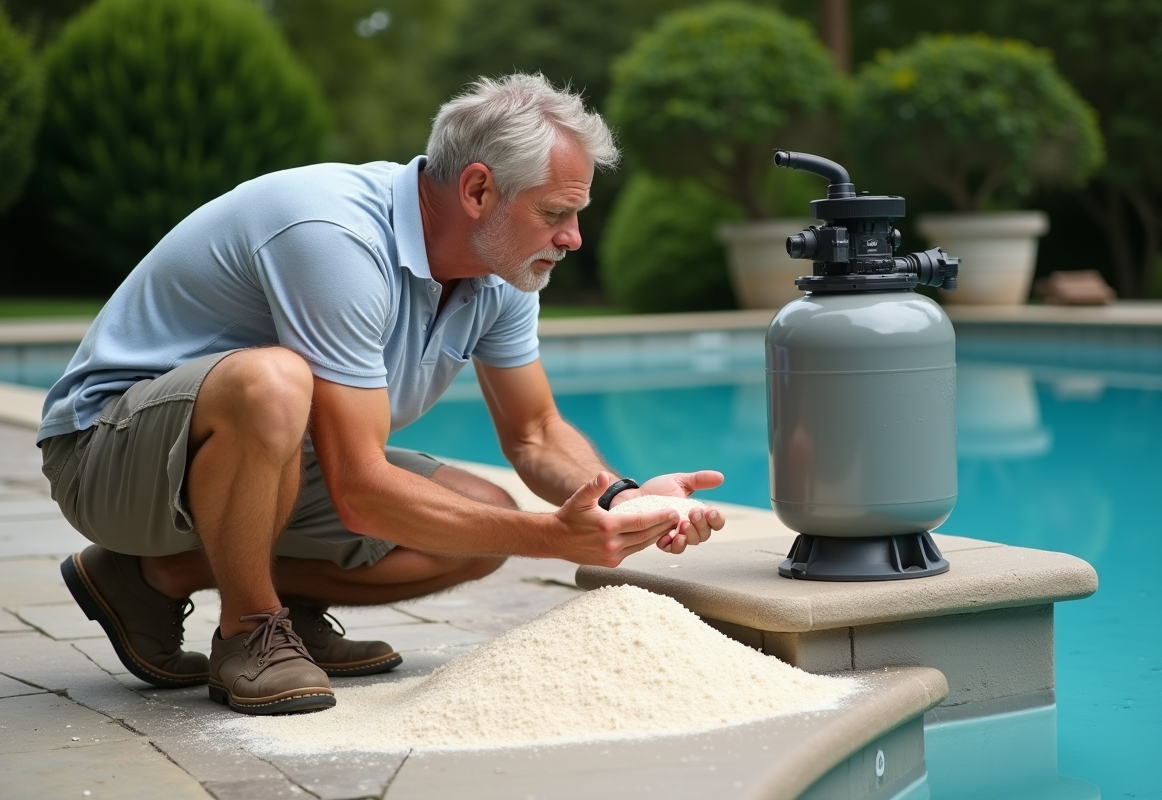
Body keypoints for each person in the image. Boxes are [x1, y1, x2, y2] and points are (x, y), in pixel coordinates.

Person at [37, 73, 725, 716]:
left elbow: (536, 432)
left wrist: (619, 498)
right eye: (554, 213)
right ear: (479, 190)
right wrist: (552, 539)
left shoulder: (502, 272)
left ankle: (155, 580)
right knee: (273, 379)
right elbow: (359, 488)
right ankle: (250, 629)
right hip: (107, 455)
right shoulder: (334, 234)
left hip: (257, 466)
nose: (571, 238)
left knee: (479, 524)